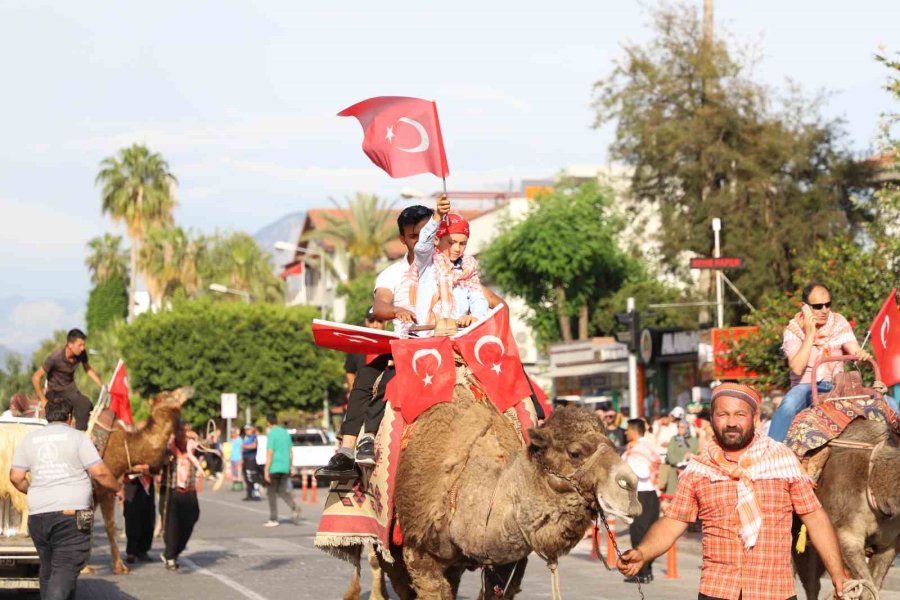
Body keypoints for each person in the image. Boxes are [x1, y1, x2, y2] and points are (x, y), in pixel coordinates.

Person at [617, 383, 847, 600]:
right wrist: (643, 553)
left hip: (773, 591)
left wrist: (838, 574)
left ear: (754, 418)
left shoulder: (783, 462)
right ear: (712, 419)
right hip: (717, 589)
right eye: (723, 414)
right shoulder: (700, 469)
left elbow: (814, 517)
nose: (731, 422)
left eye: (740, 415)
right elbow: (674, 520)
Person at [9, 397, 122, 599]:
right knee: (65, 568)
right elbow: (100, 473)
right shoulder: (78, 438)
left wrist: (35, 490)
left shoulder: (29, 440)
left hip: (38, 517)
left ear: (45, 415)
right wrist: (118, 488)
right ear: (70, 418)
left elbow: (16, 477)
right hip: (71, 517)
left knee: (49, 570)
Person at [769, 282, 872, 441]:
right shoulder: (794, 329)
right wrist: (810, 334)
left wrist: (862, 354)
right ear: (805, 307)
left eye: (828, 305)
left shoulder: (839, 322)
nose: (824, 310)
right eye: (818, 306)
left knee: (885, 401)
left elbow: (854, 349)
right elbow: (796, 368)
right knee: (789, 404)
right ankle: (771, 453)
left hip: (838, 386)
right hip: (806, 388)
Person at [411, 194, 489, 332]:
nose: (457, 249)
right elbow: (422, 245)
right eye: (451, 243)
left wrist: (475, 316)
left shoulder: (468, 268)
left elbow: (478, 297)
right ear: (436, 240)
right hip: (427, 337)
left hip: (457, 336)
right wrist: (438, 216)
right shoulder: (427, 262)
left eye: (462, 243)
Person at [31, 329, 103, 431]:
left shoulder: (81, 354)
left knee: (89, 405)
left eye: (84, 345)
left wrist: (102, 385)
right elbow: (36, 377)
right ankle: (79, 435)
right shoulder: (55, 358)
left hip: (71, 391)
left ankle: (79, 431)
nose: (83, 348)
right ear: (70, 344)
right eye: (80, 345)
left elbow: (88, 369)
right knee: (83, 404)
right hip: (55, 393)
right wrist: (43, 400)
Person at [622, 418, 661, 584]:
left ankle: (641, 572)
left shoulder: (637, 450)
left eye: (627, 429)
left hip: (642, 495)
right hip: (652, 494)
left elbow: (642, 472)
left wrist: (627, 467)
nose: (625, 432)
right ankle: (647, 571)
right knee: (650, 534)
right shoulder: (649, 445)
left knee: (639, 534)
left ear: (634, 431)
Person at [160, 422, 203, 571]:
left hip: (190, 490)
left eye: (189, 431)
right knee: (173, 525)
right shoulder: (170, 448)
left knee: (192, 518)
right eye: (183, 431)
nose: (187, 435)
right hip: (173, 490)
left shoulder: (193, 448)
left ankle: (175, 550)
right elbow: (161, 453)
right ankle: (170, 556)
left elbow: (206, 446)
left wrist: (197, 438)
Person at [262, 413, 302, 527]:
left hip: (274, 466)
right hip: (285, 467)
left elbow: (270, 452)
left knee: (271, 493)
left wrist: (266, 469)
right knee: (282, 491)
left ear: (268, 422)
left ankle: (273, 518)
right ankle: (294, 506)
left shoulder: (271, 434)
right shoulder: (285, 433)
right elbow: (291, 451)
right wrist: (291, 465)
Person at [123, 461, 157, 564]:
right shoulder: (127, 447)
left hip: (147, 482)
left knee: (148, 515)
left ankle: (143, 550)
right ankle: (131, 551)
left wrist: (148, 468)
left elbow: (157, 464)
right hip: (130, 484)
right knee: (130, 516)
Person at [663, 419, 698, 497]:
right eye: (678, 427)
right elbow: (670, 454)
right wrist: (679, 462)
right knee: (673, 496)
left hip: (688, 472)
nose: (679, 429)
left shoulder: (693, 440)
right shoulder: (674, 439)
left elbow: (696, 453)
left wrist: (690, 456)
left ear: (687, 428)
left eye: (682, 427)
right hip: (675, 471)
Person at [241, 426, 261, 500]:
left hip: (251, 459)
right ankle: (249, 494)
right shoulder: (246, 438)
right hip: (246, 459)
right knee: (247, 477)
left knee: (253, 476)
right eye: (246, 430)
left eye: (248, 429)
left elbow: (254, 446)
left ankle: (256, 494)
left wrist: (245, 446)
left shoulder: (254, 437)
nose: (247, 431)